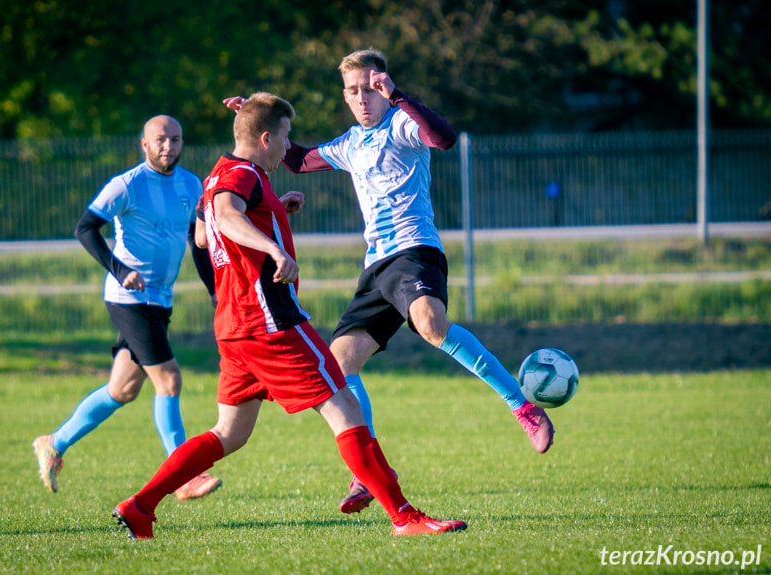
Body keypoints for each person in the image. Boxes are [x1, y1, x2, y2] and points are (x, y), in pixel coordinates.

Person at [111, 93, 467, 539]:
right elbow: (224, 215)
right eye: (285, 137)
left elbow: (203, 235)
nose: (288, 147)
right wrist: (272, 245)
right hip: (271, 323)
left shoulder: (220, 174)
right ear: (265, 137)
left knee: (229, 433)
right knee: (345, 409)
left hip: (234, 327)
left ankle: (140, 505)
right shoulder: (241, 175)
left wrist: (275, 213)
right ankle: (404, 516)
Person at [224, 48, 555, 515]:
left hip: (414, 249)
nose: (362, 98)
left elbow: (443, 139)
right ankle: (371, 471)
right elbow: (297, 159)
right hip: (377, 266)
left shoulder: (401, 122)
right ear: (345, 95)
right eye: (353, 91)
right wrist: (250, 118)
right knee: (339, 366)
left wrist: (399, 97)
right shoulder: (350, 143)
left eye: (369, 88)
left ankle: (522, 406)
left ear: (382, 85)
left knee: (431, 325)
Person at [32, 115, 221, 501]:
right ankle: (184, 476)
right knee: (169, 379)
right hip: (128, 299)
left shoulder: (191, 185)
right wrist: (119, 271)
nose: (169, 146)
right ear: (144, 144)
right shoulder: (127, 184)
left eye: (176, 139)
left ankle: (54, 442)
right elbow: (85, 228)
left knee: (122, 389)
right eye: (160, 140)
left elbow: (196, 239)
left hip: (160, 300)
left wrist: (214, 289)